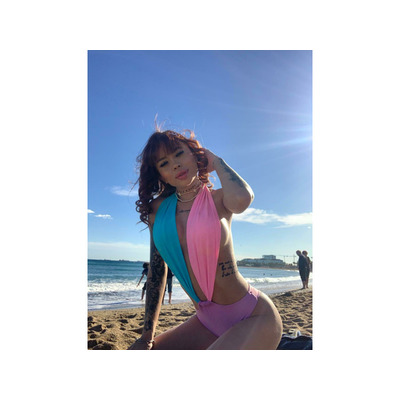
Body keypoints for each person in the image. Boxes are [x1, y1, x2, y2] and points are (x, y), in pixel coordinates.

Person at [128, 128, 282, 350]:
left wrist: (216, 161)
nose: (175, 165)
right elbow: (157, 272)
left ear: (194, 154)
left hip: (254, 316)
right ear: (160, 175)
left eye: (179, 154)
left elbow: (242, 198)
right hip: (207, 321)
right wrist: (146, 336)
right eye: (164, 163)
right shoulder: (157, 212)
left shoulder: (219, 199)